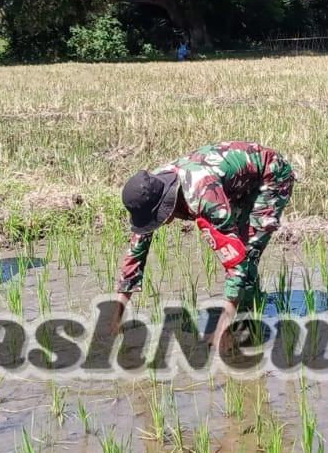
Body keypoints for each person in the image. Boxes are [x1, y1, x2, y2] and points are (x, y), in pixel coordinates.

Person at [110, 142, 295, 350]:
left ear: (165, 202)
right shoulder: (149, 189)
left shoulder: (203, 197)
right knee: (242, 258)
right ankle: (248, 309)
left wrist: (222, 328)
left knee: (248, 251)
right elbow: (136, 252)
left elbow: (237, 261)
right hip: (234, 183)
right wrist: (116, 315)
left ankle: (241, 327)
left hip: (270, 176)